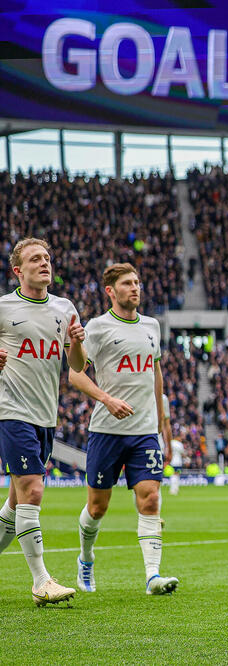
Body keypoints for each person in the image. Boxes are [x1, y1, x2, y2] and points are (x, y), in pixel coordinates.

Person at [69, 263, 179, 596]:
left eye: (137, 282)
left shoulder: (152, 326)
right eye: (127, 283)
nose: (135, 288)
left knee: (150, 500)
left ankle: (152, 576)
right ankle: (86, 559)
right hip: (106, 430)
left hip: (144, 431)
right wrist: (107, 399)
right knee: (98, 507)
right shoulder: (98, 328)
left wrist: (160, 425)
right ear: (110, 291)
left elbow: (156, 375)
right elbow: (75, 373)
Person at [0, 238, 85, 606]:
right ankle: (41, 581)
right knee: (33, 490)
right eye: (35, 259)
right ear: (18, 270)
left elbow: (78, 367)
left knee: (16, 503)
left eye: (47, 258)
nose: (44, 263)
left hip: (45, 417)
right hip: (11, 410)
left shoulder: (65, 308)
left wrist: (78, 343)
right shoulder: (3, 307)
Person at [163, 394, 183, 496]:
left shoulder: (171, 442)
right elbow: (183, 453)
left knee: (173, 475)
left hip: (171, 461)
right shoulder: (178, 444)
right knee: (176, 475)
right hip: (178, 462)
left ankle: (173, 489)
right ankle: (174, 490)